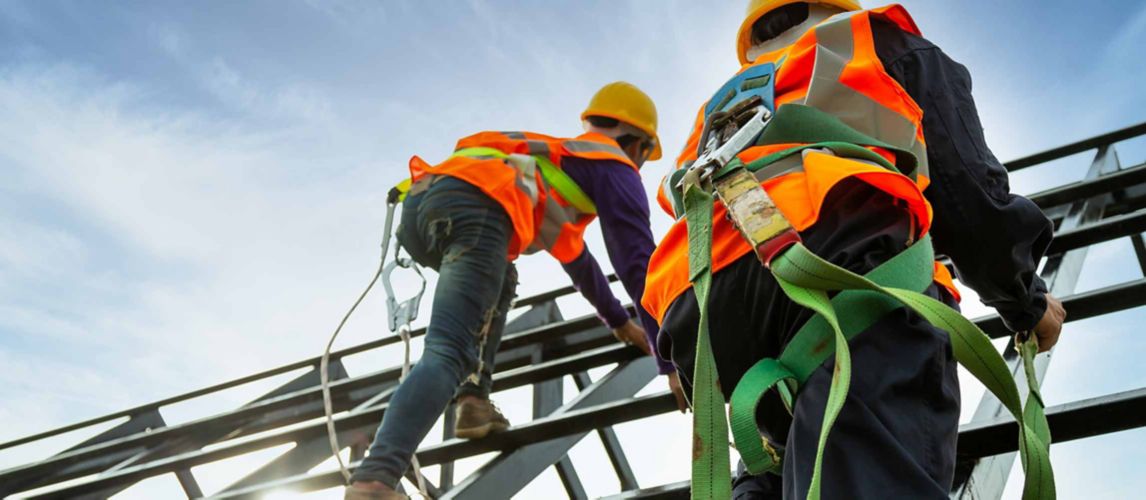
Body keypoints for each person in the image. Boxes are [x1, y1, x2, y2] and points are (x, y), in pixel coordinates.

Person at [642, 2, 1067, 498]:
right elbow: (966, 189)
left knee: (773, 463)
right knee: (861, 464)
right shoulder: (870, 42)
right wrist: (1026, 303)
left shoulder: (720, 109)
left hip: (701, 316)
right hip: (843, 264)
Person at [345, 82, 676, 500]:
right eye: (644, 155)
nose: (640, 166)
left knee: (502, 277)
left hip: (422, 207)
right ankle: (375, 480)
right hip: (478, 210)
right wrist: (670, 357)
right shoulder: (612, 164)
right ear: (637, 143)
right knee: (449, 350)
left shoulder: (551, 162)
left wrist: (617, 321)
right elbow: (635, 262)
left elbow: (579, 263)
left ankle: (473, 401)